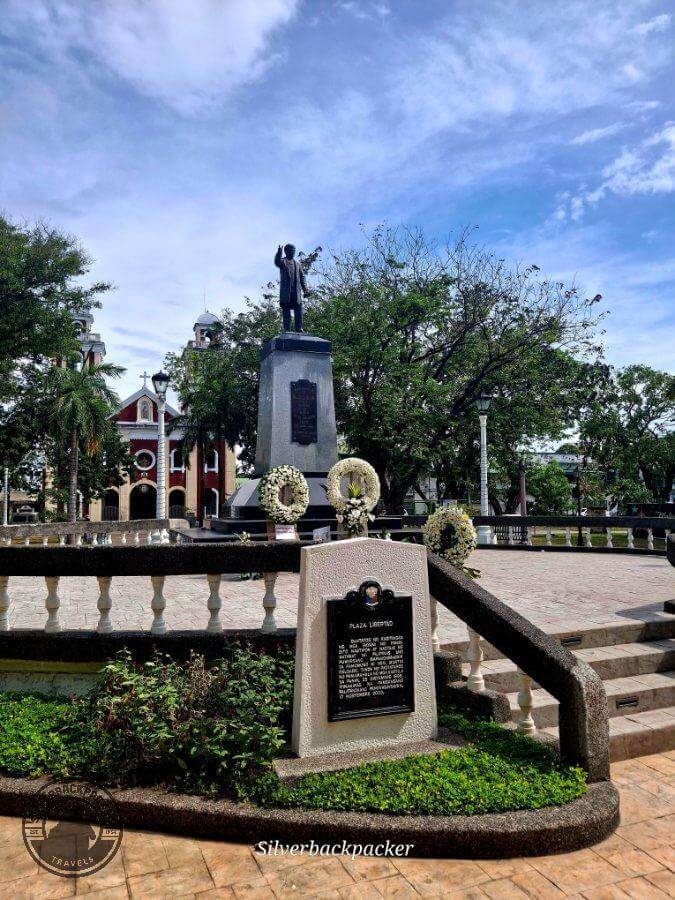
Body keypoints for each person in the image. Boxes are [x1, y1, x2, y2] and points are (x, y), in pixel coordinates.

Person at [274, 243, 308, 332]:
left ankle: (299, 328)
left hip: (296, 292)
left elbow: (302, 277)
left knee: (298, 311)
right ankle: (287, 329)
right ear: (286, 251)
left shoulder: (298, 264)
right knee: (286, 311)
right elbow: (277, 261)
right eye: (290, 250)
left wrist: (305, 290)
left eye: (293, 250)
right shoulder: (283, 261)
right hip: (286, 292)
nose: (292, 252)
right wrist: (279, 252)